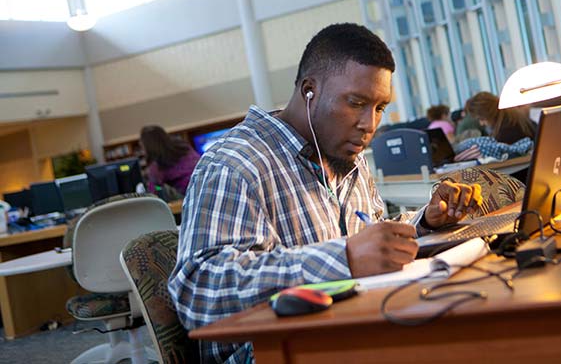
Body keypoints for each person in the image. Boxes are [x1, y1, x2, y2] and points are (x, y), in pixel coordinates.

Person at [168, 23, 482, 363]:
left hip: (350, 330)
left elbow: (367, 237)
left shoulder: (347, 157)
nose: (370, 124)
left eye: (379, 108)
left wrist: (425, 224)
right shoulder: (235, 163)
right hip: (276, 351)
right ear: (309, 90)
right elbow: (197, 292)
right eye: (356, 102)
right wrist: (343, 259)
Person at [139, 125, 200, 196]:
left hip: (186, 194)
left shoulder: (156, 164)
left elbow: (154, 189)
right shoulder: (183, 147)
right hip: (204, 182)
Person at [465, 91, 537, 144]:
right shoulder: (515, 117)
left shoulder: (506, 132)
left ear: (489, 114)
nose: (481, 124)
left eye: (481, 119)